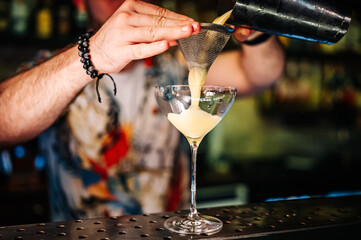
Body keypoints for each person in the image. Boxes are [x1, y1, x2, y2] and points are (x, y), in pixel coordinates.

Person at [0, 0, 285, 221]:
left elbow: (259, 73)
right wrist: (91, 55)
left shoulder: (175, 65)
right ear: (78, 2)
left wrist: (258, 34)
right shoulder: (53, 67)